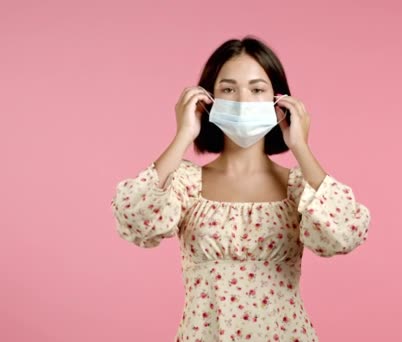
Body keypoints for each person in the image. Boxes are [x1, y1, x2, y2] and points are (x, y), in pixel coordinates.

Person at [110, 36, 371, 342]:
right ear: (208, 99)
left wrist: (301, 147)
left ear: (279, 102)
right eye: (229, 89)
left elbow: (346, 233)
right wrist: (183, 135)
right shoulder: (185, 183)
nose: (243, 100)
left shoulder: (299, 187)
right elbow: (132, 218)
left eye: (257, 89)